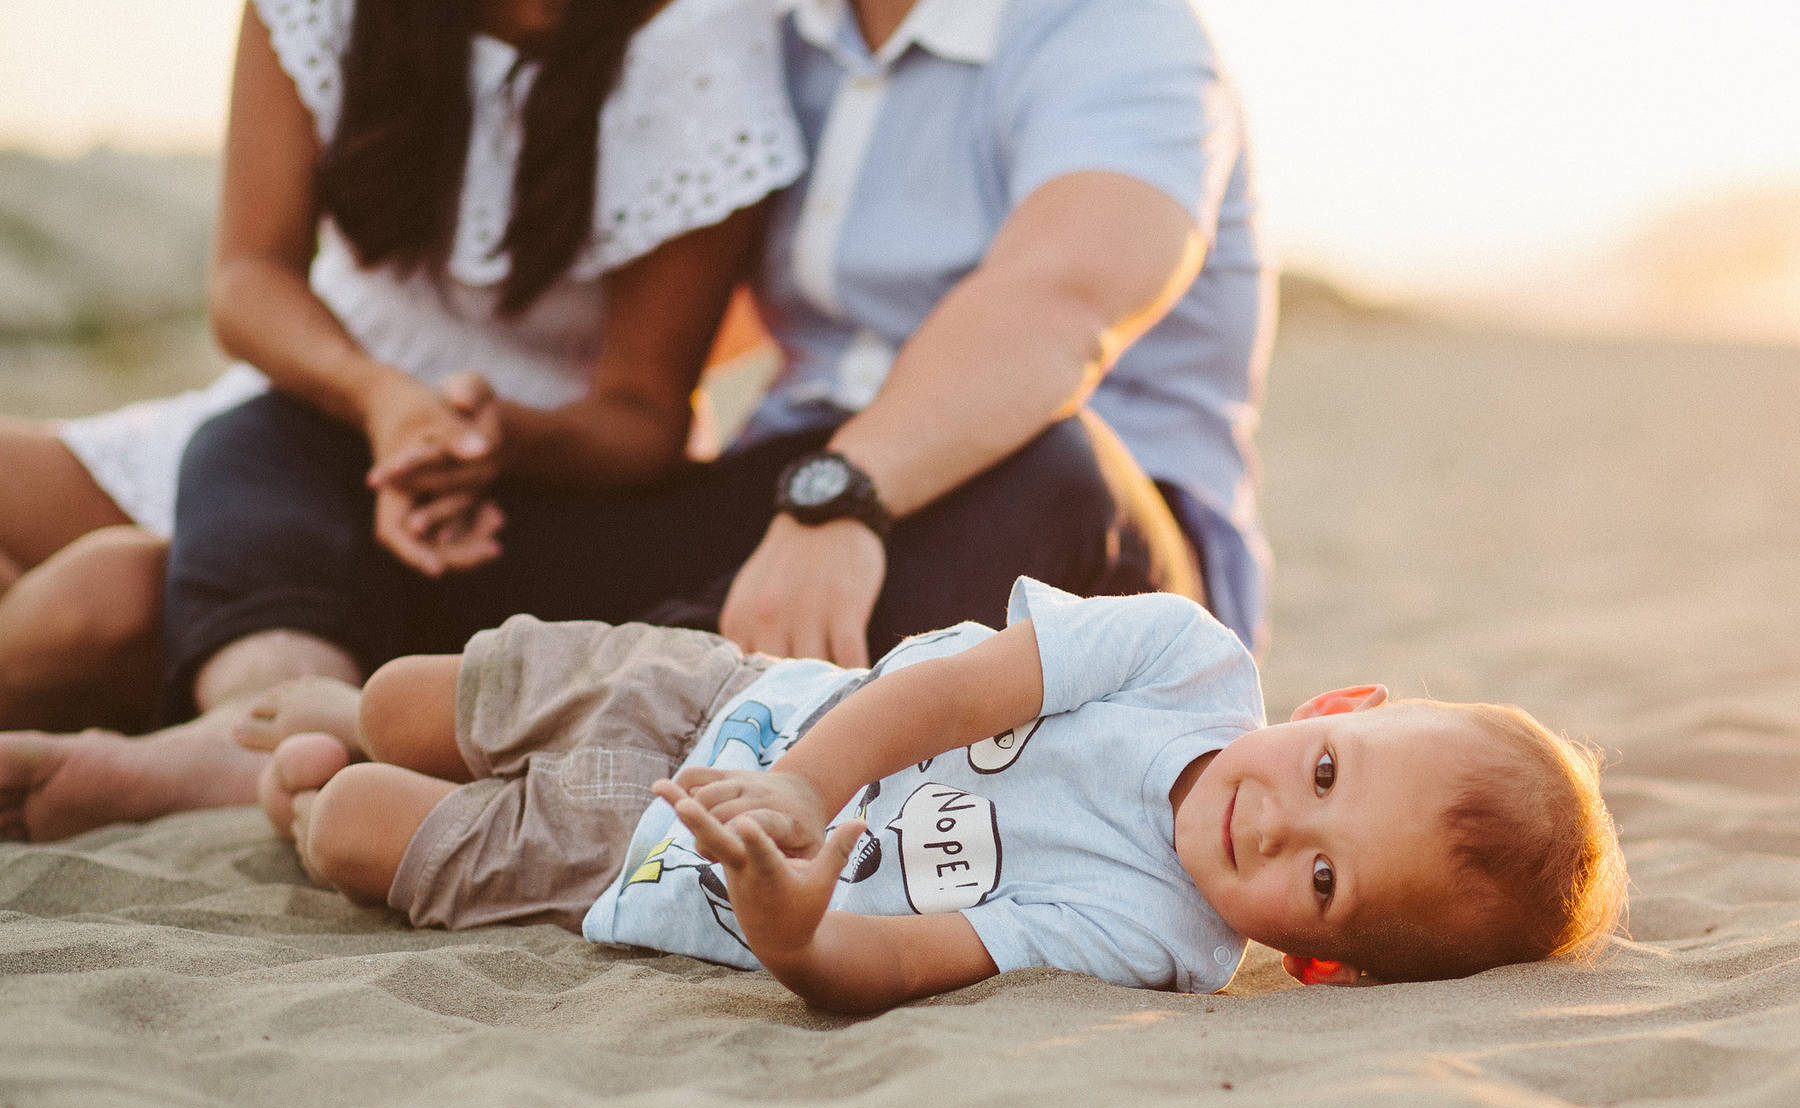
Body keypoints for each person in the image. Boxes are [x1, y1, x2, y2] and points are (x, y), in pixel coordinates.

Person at [0, 0, 805, 837]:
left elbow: (644, 414)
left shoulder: (704, 34)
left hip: (524, 479)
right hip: (310, 404)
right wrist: (378, 395)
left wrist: (492, 437)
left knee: (104, 598)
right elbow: (247, 281)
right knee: (180, 496)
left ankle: (249, 721)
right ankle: (228, 712)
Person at [253, 579, 1628, 1012]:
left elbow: (916, 952)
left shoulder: (1158, 940)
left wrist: (793, 925)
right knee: (402, 702)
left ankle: (287, 787)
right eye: (1325, 776)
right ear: (1341, 710)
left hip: (653, 864)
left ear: (1319, 957)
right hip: (716, 700)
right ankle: (316, 715)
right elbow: (949, 694)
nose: (1277, 821)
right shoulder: (1188, 661)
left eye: (1319, 876)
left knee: (355, 825)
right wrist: (800, 780)